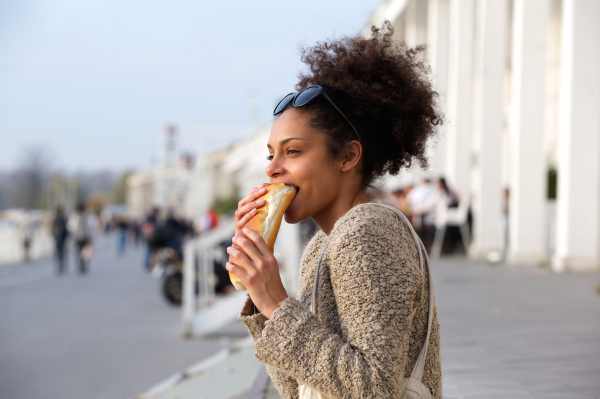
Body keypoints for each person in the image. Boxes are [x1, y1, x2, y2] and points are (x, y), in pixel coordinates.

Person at [227, 23, 442, 399]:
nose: (272, 168)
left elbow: (375, 388)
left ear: (348, 156)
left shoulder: (367, 232)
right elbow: (301, 387)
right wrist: (260, 297)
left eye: (292, 151)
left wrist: (276, 302)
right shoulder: (321, 247)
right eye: (271, 153)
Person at [69, 203, 93, 274]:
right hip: (85, 237)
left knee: (78, 252)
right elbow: (89, 228)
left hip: (77, 237)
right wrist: (90, 237)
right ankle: (83, 266)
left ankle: (80, 266)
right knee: (85, 252)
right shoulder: (86, 216)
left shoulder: (74, 216)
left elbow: (71, 227)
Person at [52, 205, 69, 274]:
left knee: (60, 251)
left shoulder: (60, 218)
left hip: (61, 237)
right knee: (60, 251)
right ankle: (60, 264)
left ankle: (60, 264)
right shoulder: (60, 218)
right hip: (60, 236)